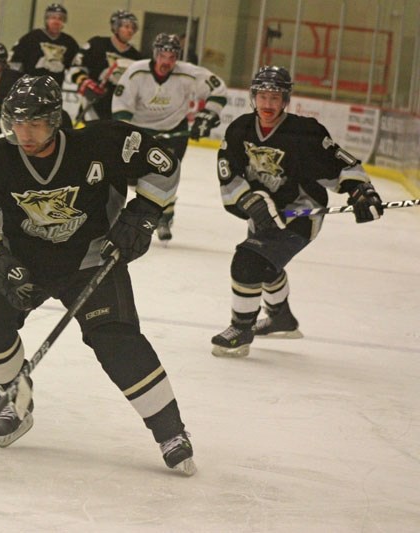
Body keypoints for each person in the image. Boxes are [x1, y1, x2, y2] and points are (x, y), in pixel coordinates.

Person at [0, 75, 196, 475]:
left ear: (55, 120)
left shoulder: (101, 143)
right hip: (24, 263)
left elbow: (163, 166)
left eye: (34, 124)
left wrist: (144, 213)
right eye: (16, 123)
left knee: (117, 340)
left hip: (93, 260)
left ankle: (171, 431)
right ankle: (17, 399)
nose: (24, 134)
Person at [211, 66, 384, 357]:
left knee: (247, 263)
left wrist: (360, 192)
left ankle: (241, 330)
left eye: (275, 97)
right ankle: (281, 319)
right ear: (253, 97)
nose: (268, 104)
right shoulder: (239, 128)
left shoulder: (304, 132)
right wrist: (249, 202)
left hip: (300, 215)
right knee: (266, 265)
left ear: (286, 99)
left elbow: (343, 164)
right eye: (263, 96)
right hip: (263, 214)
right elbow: (229, 175)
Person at [112, 33, 228, 241]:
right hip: (140, 131)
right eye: (163, 56)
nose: (167, 62)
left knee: (165, 173)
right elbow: (121, 108)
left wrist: (208, 115)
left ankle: (165, 215)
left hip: (174, 130)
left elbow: (218, 89)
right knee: (131, 177)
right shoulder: (136, 72)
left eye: (172, 57)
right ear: (155, 54)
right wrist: (126, 134)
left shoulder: (189, 74)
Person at [69, 9, 143, 123]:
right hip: (92, 106)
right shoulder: (97, 44)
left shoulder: (136, 57)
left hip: (119, 110)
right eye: (126, 26)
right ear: (116, 27)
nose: (130, 30)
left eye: (133, 27)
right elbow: (76, 68)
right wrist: (85, 82)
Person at [9, 3, 79, 89]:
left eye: (60, 18)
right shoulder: (32, 38)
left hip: (54, 90)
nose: (56, 22)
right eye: (53, 18)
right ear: (46, 19)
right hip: (29, 88)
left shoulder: (69, 43)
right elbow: (15, 62)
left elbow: (75, 67)